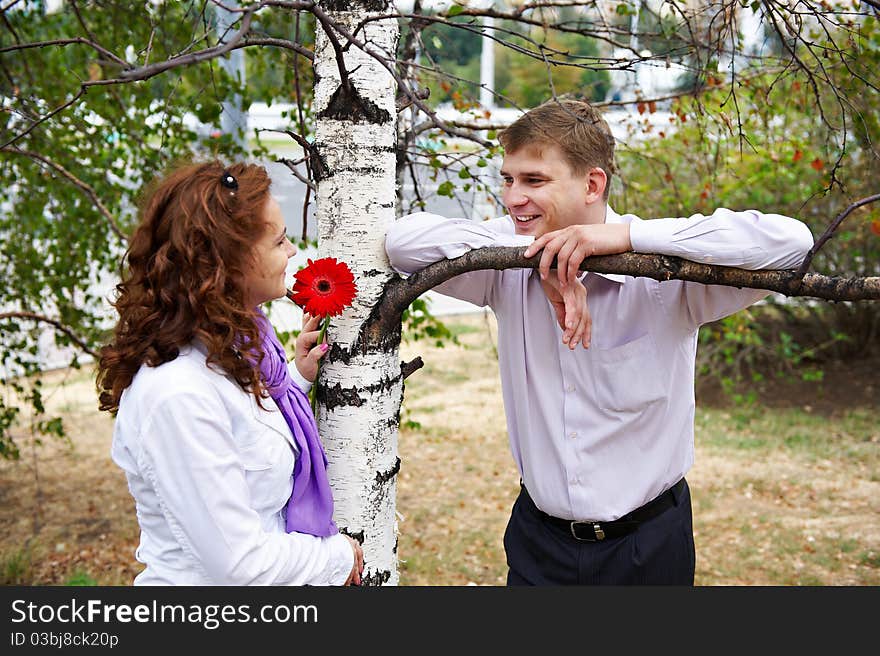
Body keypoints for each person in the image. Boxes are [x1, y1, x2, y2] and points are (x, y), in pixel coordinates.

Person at [385, 98, 814, 585]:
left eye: (534, 181)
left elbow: (791, 243)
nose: (513, 197)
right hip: (538, 545)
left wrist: (626, 236)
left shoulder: (666, 277)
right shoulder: (503, 262)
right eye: (509, 179)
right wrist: (540, 264)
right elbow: (404, 243)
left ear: (592, 184)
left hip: (648, 547)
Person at [97, 160, 364, 585]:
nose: (292, 250)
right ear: (228, 262)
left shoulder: (239, 350)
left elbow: (245, 434)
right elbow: (240, 565)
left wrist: (295, 377)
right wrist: (337, 557)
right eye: (278, 241)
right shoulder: (176, 394)